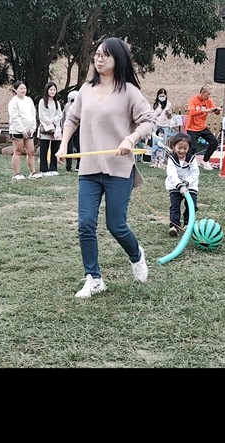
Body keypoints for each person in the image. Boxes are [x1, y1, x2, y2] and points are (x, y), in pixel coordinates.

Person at [55, 36, 156, 299]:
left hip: (119, 169)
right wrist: (63, 145)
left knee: (116, 225)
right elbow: (72, 118)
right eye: (97, 54)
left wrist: (131, 138)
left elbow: (148, 121)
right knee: (85, 224)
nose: (99, 59)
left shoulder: (129, 91)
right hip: (89, 168)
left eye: (105, 55)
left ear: (117, 59)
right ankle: (94, 278)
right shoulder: (86, 90)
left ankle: (136, 255)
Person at [164, 133, 199, 237]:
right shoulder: (172, 159)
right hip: (175, 186)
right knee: (175, 206)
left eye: (185, 148)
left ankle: (188, 224)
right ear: (174, 146)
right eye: (179, 148)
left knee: (191, 205)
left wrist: (186, 184)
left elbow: (194, 173)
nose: (182, 151)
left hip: (190, 186)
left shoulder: (192, 159)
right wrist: (180, 186)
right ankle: (174, 226)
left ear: (189, 148)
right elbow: (172, 175)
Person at [8, 80, 41, 180]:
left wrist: (32, 128)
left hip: (29, 130)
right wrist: (22, 131)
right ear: (15, 90)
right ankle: (16, 173)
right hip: (17, 131)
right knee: (18, 151)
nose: (23, 90)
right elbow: (14, 117)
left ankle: (33, 172)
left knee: (31, 151)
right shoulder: (13, 102)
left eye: (24, 88)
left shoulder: (29, 100)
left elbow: (33, 114)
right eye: (21, 88)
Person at [185, 84, 221, 171]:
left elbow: (216, 112)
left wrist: (217, 110)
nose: (209, 96)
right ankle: (188, 164)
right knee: (193, 147)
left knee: (214, 142)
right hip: (192, 128)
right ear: (203, 93)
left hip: (202, 127)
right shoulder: (193, 100)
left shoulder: (208, 101)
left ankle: (205, 161)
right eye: (208, 94)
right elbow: (192, 113)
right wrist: (204, 111)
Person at [36, 81, 63, 177]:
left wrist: (53, 121)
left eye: (54, 90)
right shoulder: (42, 101)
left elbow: (59, 114)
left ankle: (53, 168)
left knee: (55, 148)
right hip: (46, 128)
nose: (52, 91)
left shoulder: (57, 103)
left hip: (55, 128)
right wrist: (49, 122)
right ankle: (43, 169)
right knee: (44, 149)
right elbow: (42, 115)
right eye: (51, 89)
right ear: (47, 90)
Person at [63, 90, 81, 173]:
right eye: (72, 100)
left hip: (78, 128)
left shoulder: (81, 106)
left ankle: (79, 165)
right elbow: (65, 118)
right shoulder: (67, 106)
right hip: (69, 129)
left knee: (79, 147)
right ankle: (68, 166)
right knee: (69, 148)